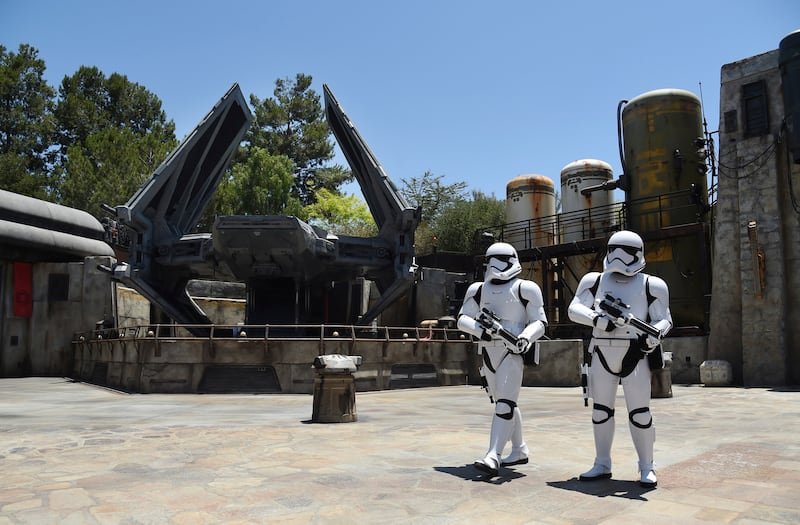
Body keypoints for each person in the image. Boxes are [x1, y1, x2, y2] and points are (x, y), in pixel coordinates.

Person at [568, 230, 672, 488]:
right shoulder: (594, 281)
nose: (618, 258)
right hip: (602, 350)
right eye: (613, 250)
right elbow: (574, 308)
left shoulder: (652, 284)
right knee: (601, 410)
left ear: (637, 253)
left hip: (635, 352)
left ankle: (647, 465)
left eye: (625, 252)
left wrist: (654, 334)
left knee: (640, 412)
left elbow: (664, 319)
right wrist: (597, 319)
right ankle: (602, 462)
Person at [457, 242, 547, 477]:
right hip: (488, 349)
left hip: (512, 350)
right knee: (503, 401)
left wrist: (526, 337)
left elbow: (539, 321)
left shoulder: (526, 288)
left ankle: (493, 455)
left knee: (505, 403)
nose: (496, 264)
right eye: (492, 259)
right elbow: (462, 319)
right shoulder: (478, 289)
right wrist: (483, 330)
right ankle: (519, 449)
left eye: (502, 258)